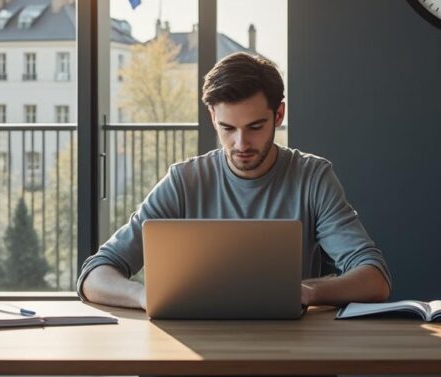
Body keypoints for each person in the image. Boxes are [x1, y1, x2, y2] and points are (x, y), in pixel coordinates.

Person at [77, 52, 391, 309]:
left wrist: (306, 291)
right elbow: (95, 274)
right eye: (227, 128)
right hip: (197, 352)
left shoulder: (312, 178)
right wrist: (146, 297)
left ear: (278, 115)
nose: (241, 144)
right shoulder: (184, 181)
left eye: (255, 127)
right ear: (212, 115)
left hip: (290, 350)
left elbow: (374, 278)